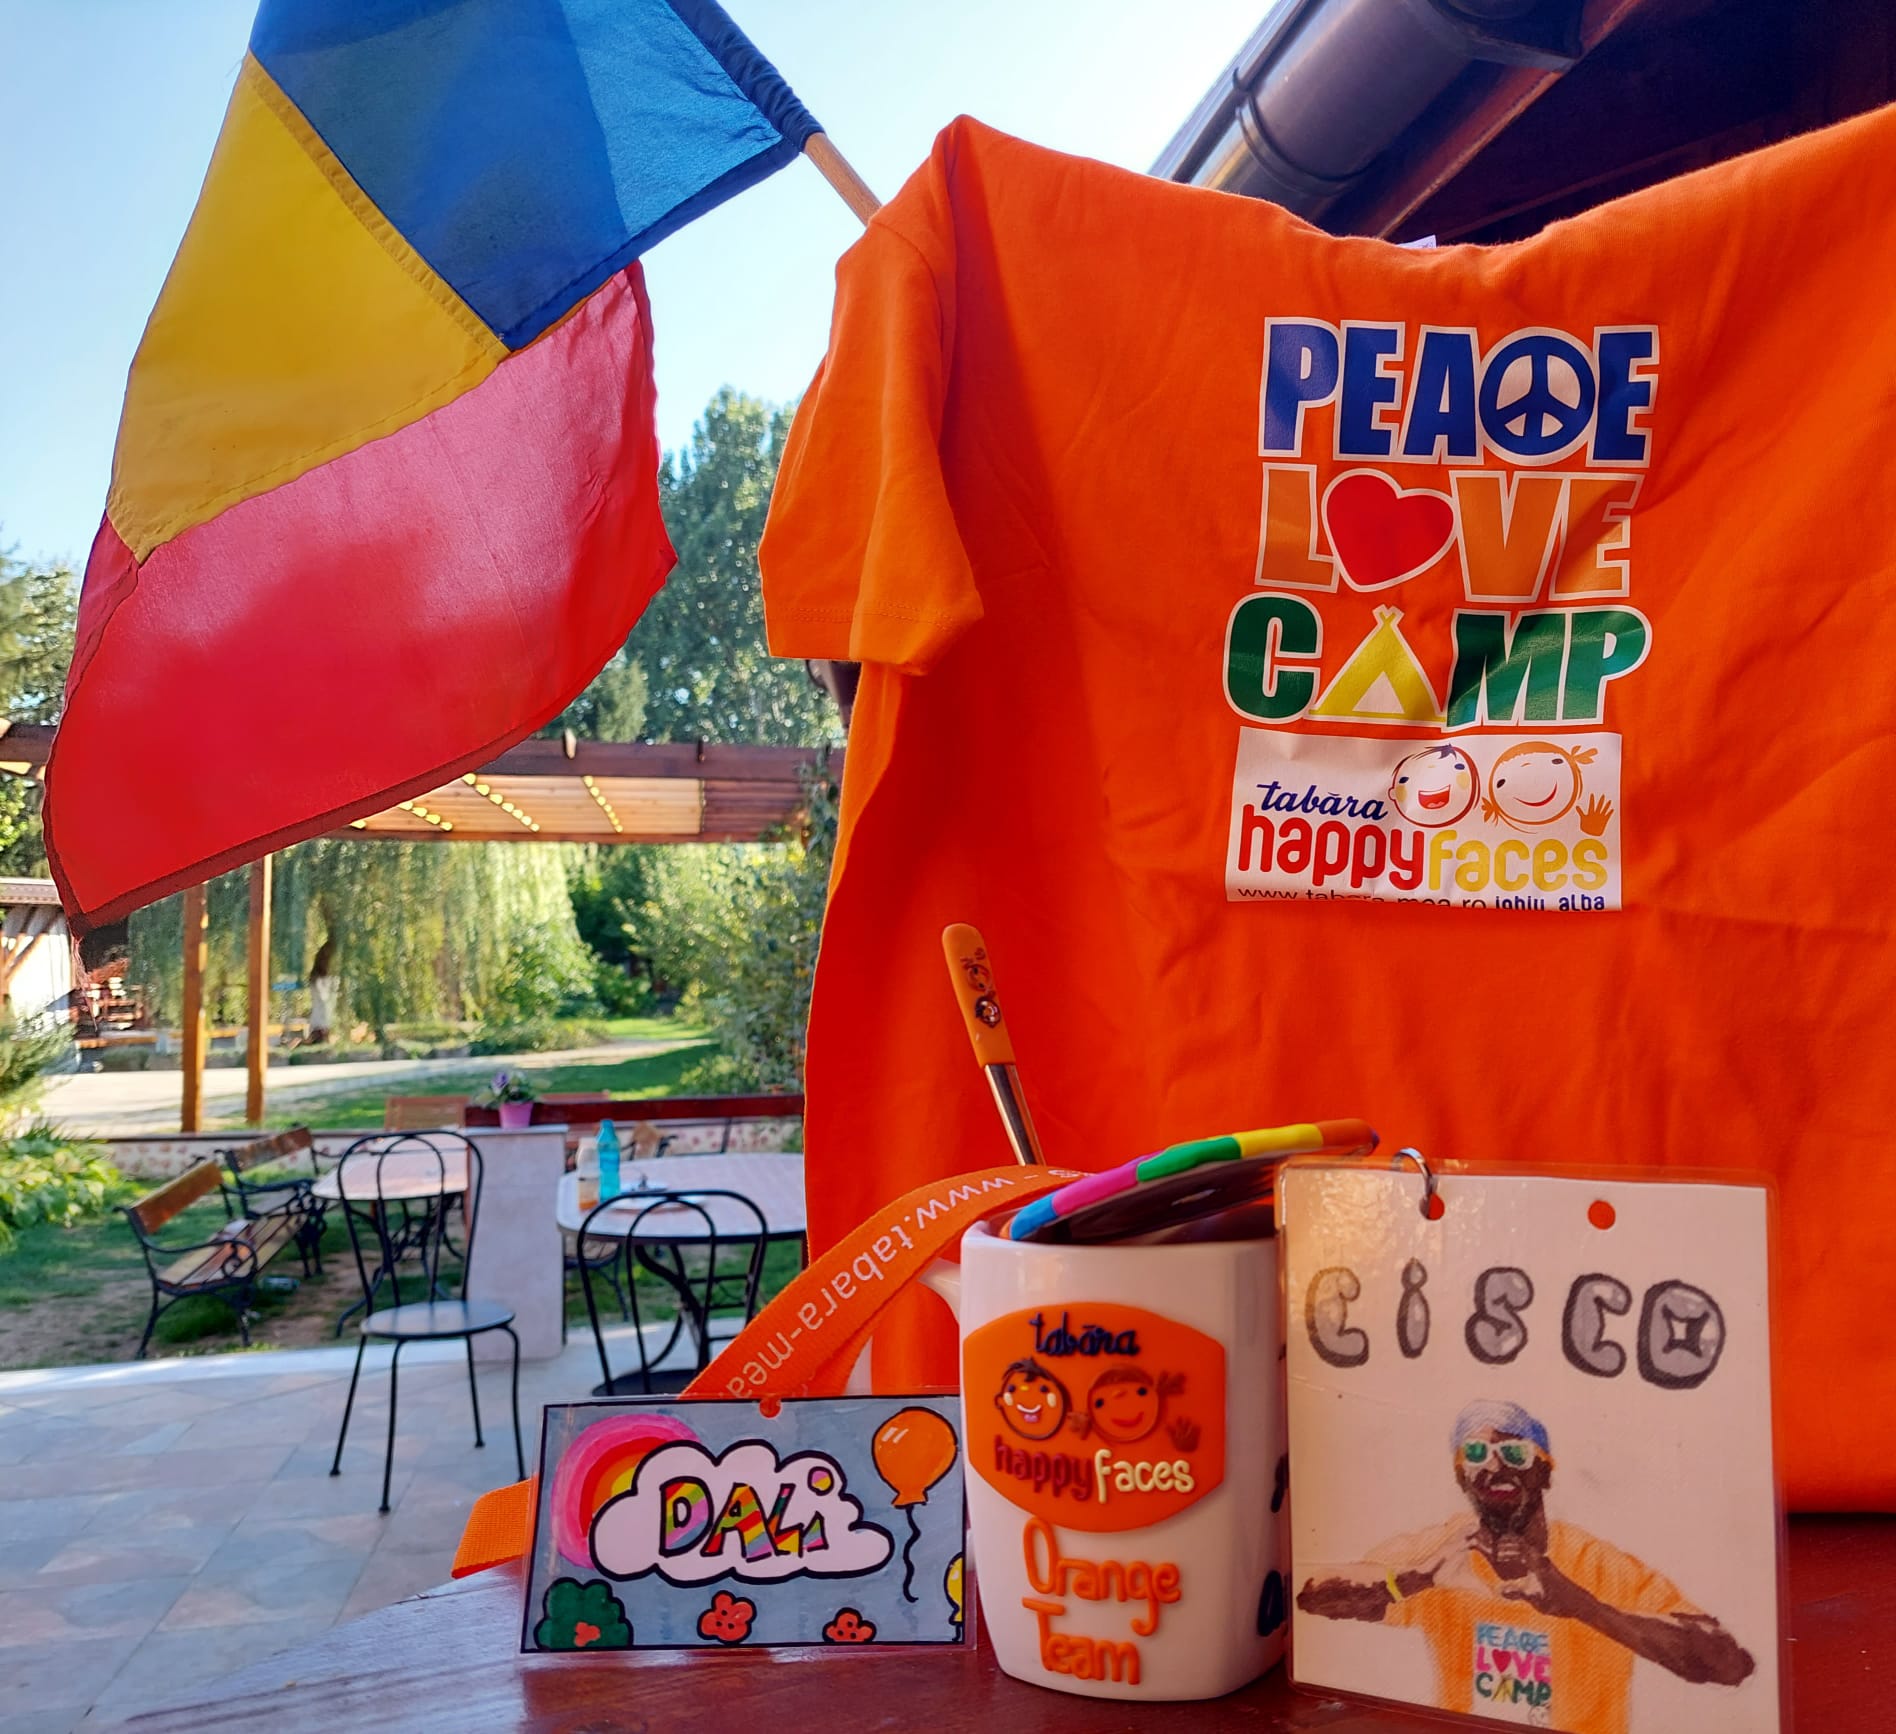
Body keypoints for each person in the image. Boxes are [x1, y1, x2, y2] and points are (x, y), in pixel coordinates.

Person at [1297, 1399, 1752, 1734]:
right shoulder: (1441, 1550)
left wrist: (1583, 1606)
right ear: (1460, 1475)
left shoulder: (1597, 1564)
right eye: (1476, 1454)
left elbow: (1730, 1664)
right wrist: (1417, 1577)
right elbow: (1313, 1595)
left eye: (1515, 1453)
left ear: (1545, 1471)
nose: (1495, 1466)